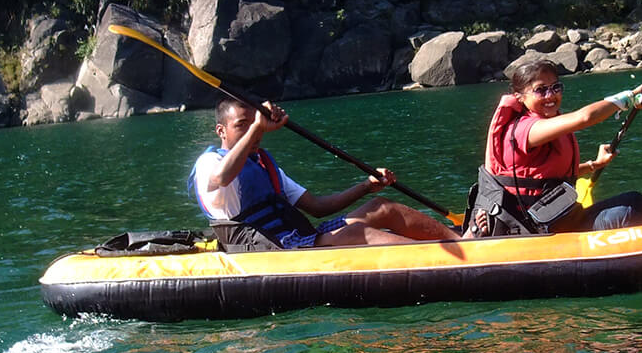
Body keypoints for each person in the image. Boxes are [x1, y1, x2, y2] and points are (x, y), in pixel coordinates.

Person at [192, 98, 457, 251]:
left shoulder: (264, 164)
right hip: (272, 250)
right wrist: (257, 128)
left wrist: (366, 185)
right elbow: (222, 178)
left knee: (380, 207)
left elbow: (318, 207)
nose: (254, 131)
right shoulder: (210, 162)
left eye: (255, 124)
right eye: (242, 125)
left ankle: (463, 242)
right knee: (358, 234)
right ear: (221, 131)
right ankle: (441, 260)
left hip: (297, 237)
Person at [469, 59, 642, 235]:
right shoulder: (525, 129)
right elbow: (584, 118)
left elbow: (543, 180)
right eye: (540, 90)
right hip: (537, 230)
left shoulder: (543, 122)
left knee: (633, 201)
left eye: (555, 87)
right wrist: (626, 99)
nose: (550, 95)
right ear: (519, 97)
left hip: (559, 220)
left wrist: (594, 164)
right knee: (630, 209)